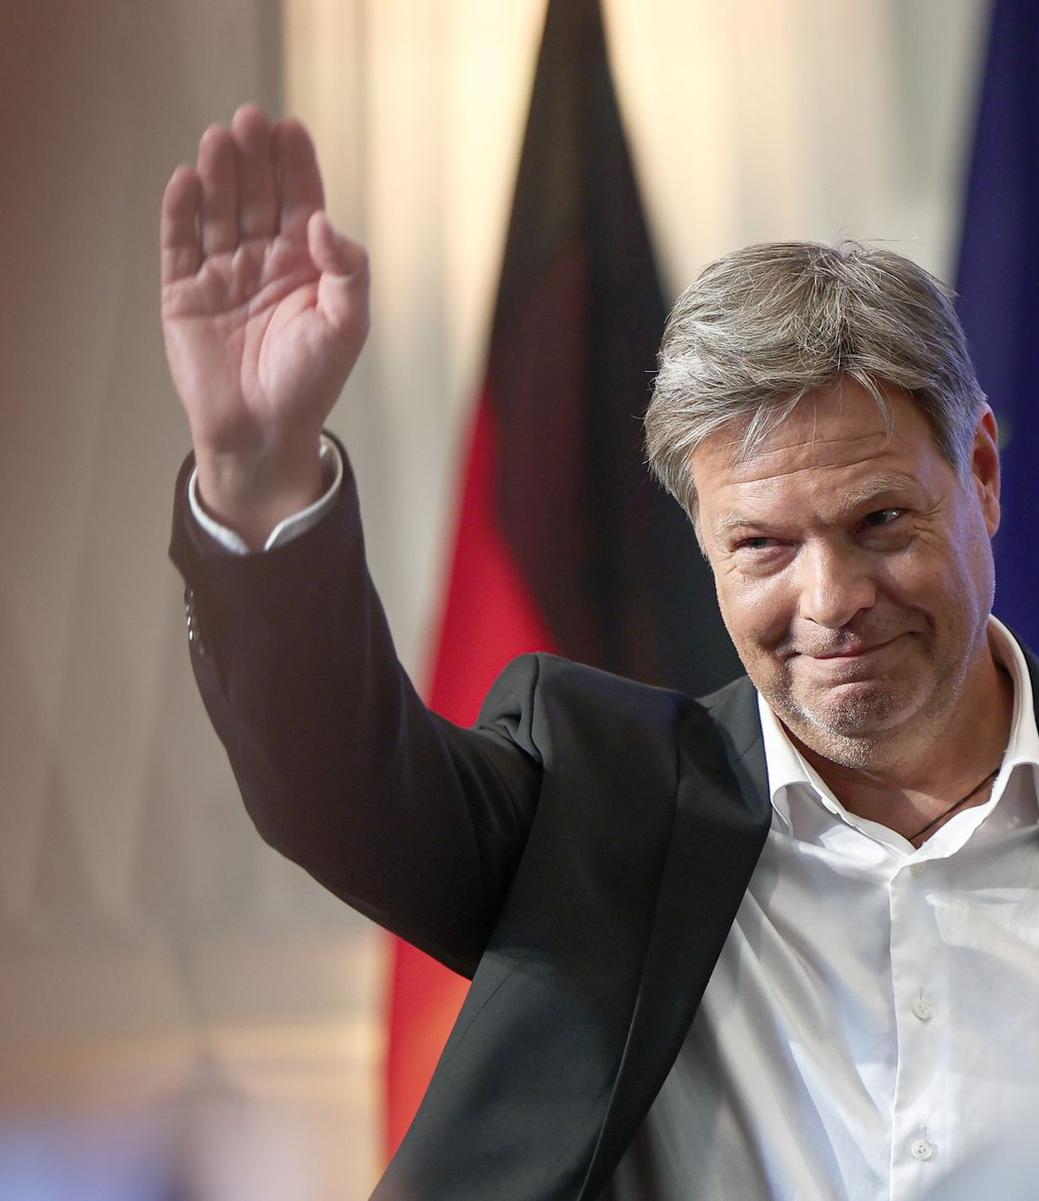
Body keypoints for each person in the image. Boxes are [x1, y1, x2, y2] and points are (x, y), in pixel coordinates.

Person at [162, 105, 1039, 1200]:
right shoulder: (598, 810)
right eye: (762, 546)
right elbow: (336, 786)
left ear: (982, 475)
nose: (832, 602)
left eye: (881, 522)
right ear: (703, 540)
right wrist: (256, 475)